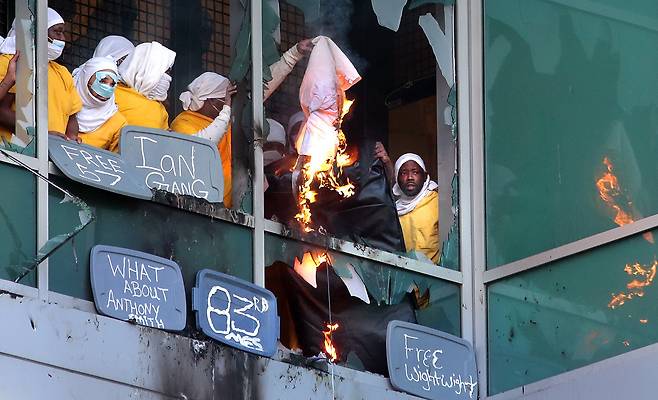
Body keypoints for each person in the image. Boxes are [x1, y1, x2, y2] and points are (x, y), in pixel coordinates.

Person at [0, 8, 82, 143]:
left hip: (53, 156)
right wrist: (42, 136)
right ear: (37, 32)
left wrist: (71, 138)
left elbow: (72, 117)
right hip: (16, 154)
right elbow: (2, 112)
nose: (62, 39)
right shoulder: (11, 62)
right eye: (57, 32)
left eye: (63, 33)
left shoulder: (62, 72)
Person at [170, 72, 236, 207]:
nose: (228, 104)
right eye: (224, 100)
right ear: (210, 100)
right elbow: (202, 147)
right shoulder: (183, 123)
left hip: (228, 207)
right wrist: (226, 110)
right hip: (201, 204)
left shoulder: (226, 124)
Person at [377, 147, 440, 263]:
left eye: (415, 172)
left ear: (425, 176)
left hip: (438, 275)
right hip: (407, 275)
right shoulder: (395, 209)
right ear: (397, 178)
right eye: (404, 173)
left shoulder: (437, 201)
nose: (410, 177)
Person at [115, 41, 175, 129]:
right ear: (147, 68)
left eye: (169, 72)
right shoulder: (112, 95)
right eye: (165, 71)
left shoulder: (160, 108)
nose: (169, 78)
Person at [74, 56, 126, 152]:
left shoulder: (118, 122)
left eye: (112, 84)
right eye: (102, 81)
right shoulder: (64, 102)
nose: (107, 88)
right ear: (86, 77)